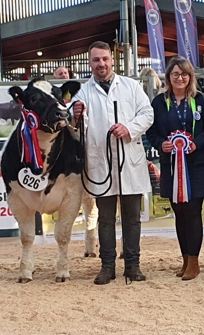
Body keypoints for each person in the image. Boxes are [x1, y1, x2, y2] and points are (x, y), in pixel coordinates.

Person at [72, 41, 154, 284]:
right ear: (90, 62)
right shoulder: (83, 92)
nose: (101, 64)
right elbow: (75, 124)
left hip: (130, 160)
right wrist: (75, 116)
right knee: (105, 218)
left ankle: (133, 265)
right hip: (100, 163)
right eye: (96, 60)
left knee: (132, 218)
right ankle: (107, 266)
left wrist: (128, 128)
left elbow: (147, 114)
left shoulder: (131, 86)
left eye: (105, 59)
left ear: (112, 60)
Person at [146, 56, 204, 280]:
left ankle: (194, 262)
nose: (180, 78)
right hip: (171, 165)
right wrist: (161, 144)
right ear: (168, 77)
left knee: (193, 212)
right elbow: (152, 131)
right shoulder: (159, 103)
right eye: (175, 74)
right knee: (179, 213)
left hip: (198, 165)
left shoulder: (201, 100)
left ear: (191, 77)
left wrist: (196, 143)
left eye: (184, 74)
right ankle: (185, 259)